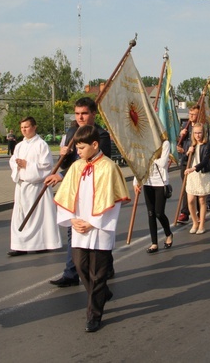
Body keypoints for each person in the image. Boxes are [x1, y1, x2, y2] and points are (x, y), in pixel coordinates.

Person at [54, 125, 129, 333]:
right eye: (77, 148)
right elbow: (65, 195)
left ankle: (94, 315)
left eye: (81, 147)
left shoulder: (109, 167)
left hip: (99, 229)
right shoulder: (77, 167)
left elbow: (114, 202)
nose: (78, 152)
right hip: (79, 226)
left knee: (98, 273)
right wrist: (72, 219)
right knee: (80, 265)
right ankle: (101, 292)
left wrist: (94, 222)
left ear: (95, 145)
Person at [45, 96, 113, 288]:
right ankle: (71, 273)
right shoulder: (72, 131)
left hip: (95, 190)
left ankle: (106, 265)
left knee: (99, 231)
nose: (80, 117)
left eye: (84, 113)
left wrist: (62, 175)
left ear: (93, 114)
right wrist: (63, 156)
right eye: (77, 113)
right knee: (73, 230)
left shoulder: (101, 135)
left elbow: (98, 163)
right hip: (76, 189)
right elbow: (68, 161)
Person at [7, 116, 62, 256]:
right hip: (22, 185)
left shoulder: (41, 144)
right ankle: (20, 245)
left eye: (27, 127)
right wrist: (17, 165)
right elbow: (12, 161)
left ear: (34, 127)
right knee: (20, 215)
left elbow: (47, 166)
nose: (24, 130)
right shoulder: (19, 145)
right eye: (22, 128)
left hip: (35, 186)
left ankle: (41, 243)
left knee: (36, 216)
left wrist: (28, 165)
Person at [133, 139, 173, 253]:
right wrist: (136, 181)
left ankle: (168, 234)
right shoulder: (144, 141)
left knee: (159, 212)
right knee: (151, 213)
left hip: (160, 183)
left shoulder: (165, 143)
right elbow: (140, 163)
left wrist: (151, 156)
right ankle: (154, 243)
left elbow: (163, 162)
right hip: (148, 182)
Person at [184, 123, 210, 234]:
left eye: (200, 132)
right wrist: (187, 153)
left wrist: (193, 168)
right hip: (192, 176)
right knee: (190, 201)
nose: (198, 135)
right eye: (195, 133)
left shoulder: (207, 145)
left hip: (202, 174)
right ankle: (195, 222)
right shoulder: (191, 144)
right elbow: (184, 161)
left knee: (201, 200)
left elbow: (205, 161)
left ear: (203, 133)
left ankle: (201, 225)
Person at [176, 106, 199, 223]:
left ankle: (199, 210)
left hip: (196, 161)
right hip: (185, 160)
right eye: (190, 114)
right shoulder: (186, 126)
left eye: (194, 114)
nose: (191, 116)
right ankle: (185, 212)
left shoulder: (201, 128)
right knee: (186, 186)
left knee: (197, 187)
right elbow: (179, 144)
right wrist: (181, 136)